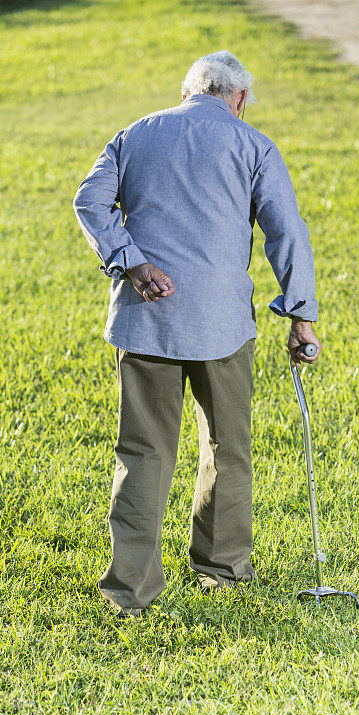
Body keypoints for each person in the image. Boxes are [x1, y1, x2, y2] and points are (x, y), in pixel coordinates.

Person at [73, 50, 322, 619]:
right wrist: (301, 316)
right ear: (237, 100)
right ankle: (222, 570)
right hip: (223, 325)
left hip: (144, 320)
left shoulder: (135, 133)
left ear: (188, 91)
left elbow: (89, 202)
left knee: (142, 452)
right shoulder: (253, 145)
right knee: (228, 449)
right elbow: (288, 232)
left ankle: (129, 592)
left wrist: (132, 262)